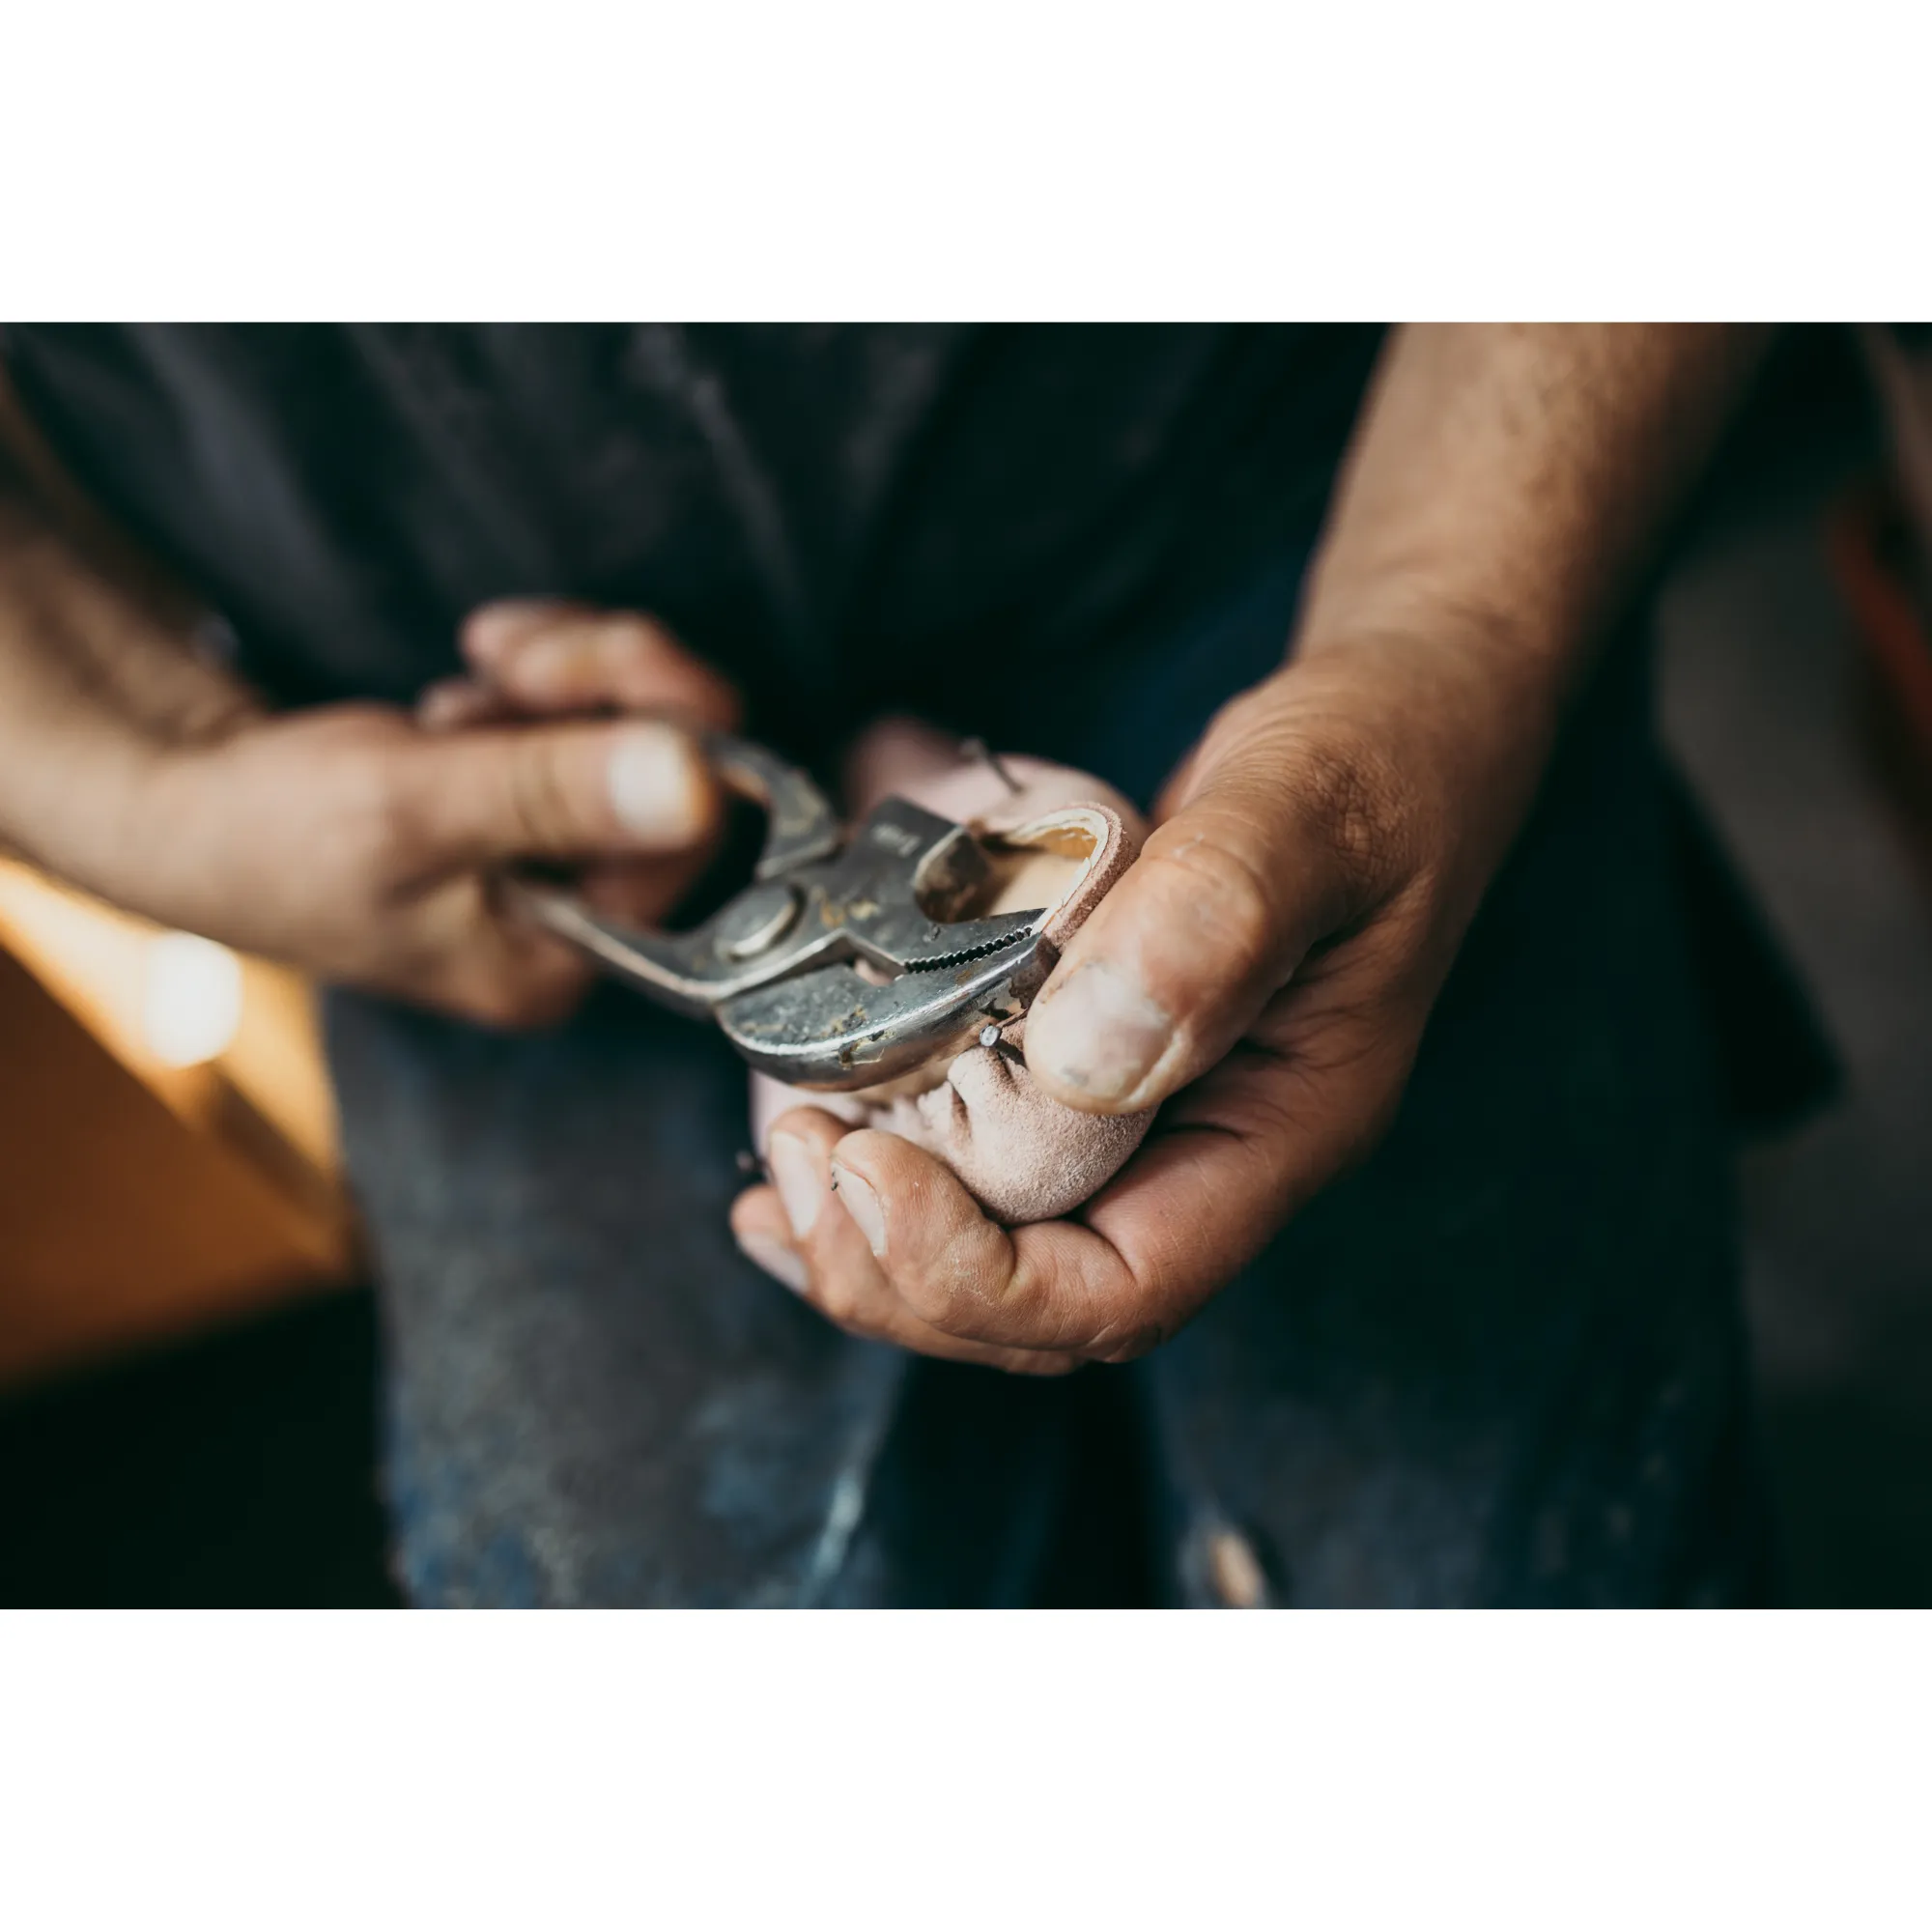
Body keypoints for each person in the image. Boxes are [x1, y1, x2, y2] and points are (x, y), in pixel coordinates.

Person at [0, 324, 1775, 1605]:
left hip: (1312, 513)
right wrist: (159, 783)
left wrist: (1453, 625)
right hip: (431, 782)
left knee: (1516, 1588)